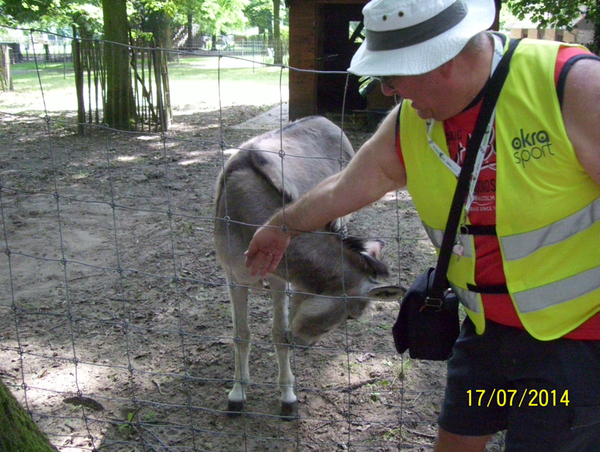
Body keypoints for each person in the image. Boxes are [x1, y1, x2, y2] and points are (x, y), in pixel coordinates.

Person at [244, 0, 600, 450]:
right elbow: (341, 190)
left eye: (392, 77)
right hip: (486, 334)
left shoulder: (573, 87)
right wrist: (282, 225)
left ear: (442, 60)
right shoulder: (410, 124)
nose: (389, 91)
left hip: (575, 345)